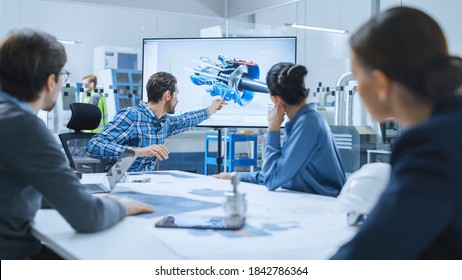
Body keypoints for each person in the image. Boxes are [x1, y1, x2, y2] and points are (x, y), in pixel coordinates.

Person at [0, 29, 153, 260]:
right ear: (51, 81)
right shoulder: (25, 127)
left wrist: (76, 197)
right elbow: (88, 218)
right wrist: (122, 206)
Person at [331, 7, 462, 259]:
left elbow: (372, 251)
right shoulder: (451, 126)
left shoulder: (430, 146)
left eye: (358, 78)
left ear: (380, 83)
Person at [215, 63, 346, 196]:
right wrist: (235, 176)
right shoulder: (303, 121)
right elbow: (275, 173)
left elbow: (271, 180)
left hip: (326, 206)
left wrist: (273, 128)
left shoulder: (308, 124)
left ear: (275, 100)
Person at [86, 71, 227, 172]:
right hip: (122, 185)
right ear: (167, 95)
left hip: (147, 184)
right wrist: (138, 152)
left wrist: (211, 109)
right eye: (176, 94)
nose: (177, 99)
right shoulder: (132, 116)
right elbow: (94, 144)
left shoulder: (164, 122)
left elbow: (185, 120)